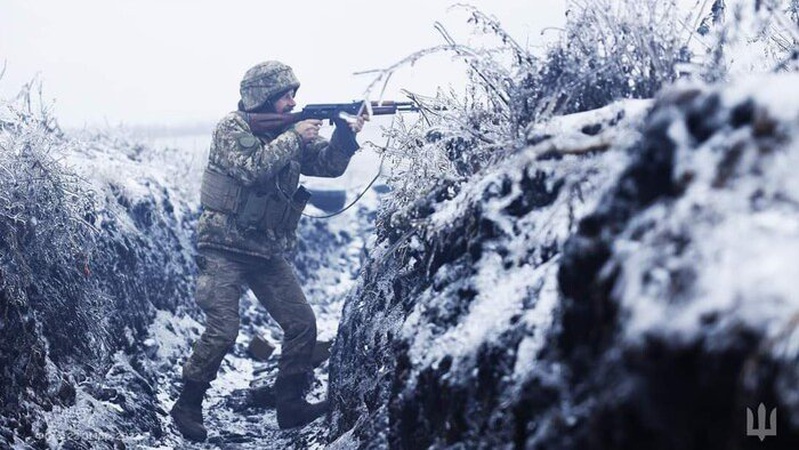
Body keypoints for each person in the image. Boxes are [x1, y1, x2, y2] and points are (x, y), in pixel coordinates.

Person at [170, 61, 366, 442]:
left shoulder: (287, 133)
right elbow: (251, 168)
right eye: (285, 96)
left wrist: (345, 135)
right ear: (262, 97)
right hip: (223, 246)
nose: (293, 102)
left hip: (265, 250)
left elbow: (328, 165)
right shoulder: (233, 128)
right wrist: (295, 136)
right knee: (223, 330)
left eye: (294, 95)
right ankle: (188, 404)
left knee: (302, 323)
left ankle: (290, 404)